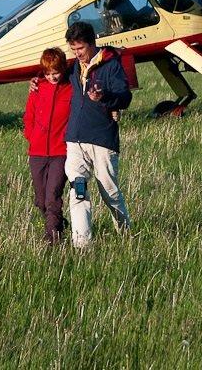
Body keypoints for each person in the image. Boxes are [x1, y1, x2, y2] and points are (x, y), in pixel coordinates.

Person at [63, 21, 132, 248]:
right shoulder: (73, 66)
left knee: (109, 191)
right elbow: (53, 75)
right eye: (73, 50)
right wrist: (38, 80)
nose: (77, 54)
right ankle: (82, 244)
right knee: (78, 190)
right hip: (75, 137)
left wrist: (104, 97)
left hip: (102, 139)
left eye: (80, 49)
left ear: (92, 44)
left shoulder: (111, 65)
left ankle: (125, 234)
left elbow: (125, 97)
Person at [22, 47, 73, 244]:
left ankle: (52, 239)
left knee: (53, 197)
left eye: (56, 72)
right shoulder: (37, 88)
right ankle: (59, 224)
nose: (52, 77)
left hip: (61, 152)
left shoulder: (72, 88)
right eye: (48, 73)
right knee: (41, 200)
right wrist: (32, 137)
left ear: (63, 68)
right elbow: (29, 117)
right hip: (37, 152)